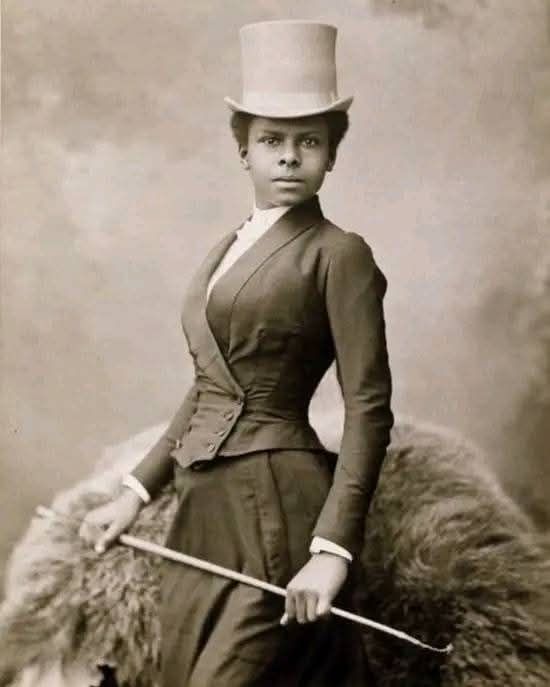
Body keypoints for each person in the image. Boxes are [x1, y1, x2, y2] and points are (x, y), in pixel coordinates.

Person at [80, 20, 394, 687]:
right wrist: (135, 492)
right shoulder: (226, 250)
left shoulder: (339, 254)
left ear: (332, 156)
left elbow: (369, 409)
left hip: (280, 506)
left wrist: (332, 550)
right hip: (204, 514)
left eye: (310, 141)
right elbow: (210, 388)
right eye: (272, 140)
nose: (290, 157)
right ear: (243, 150)